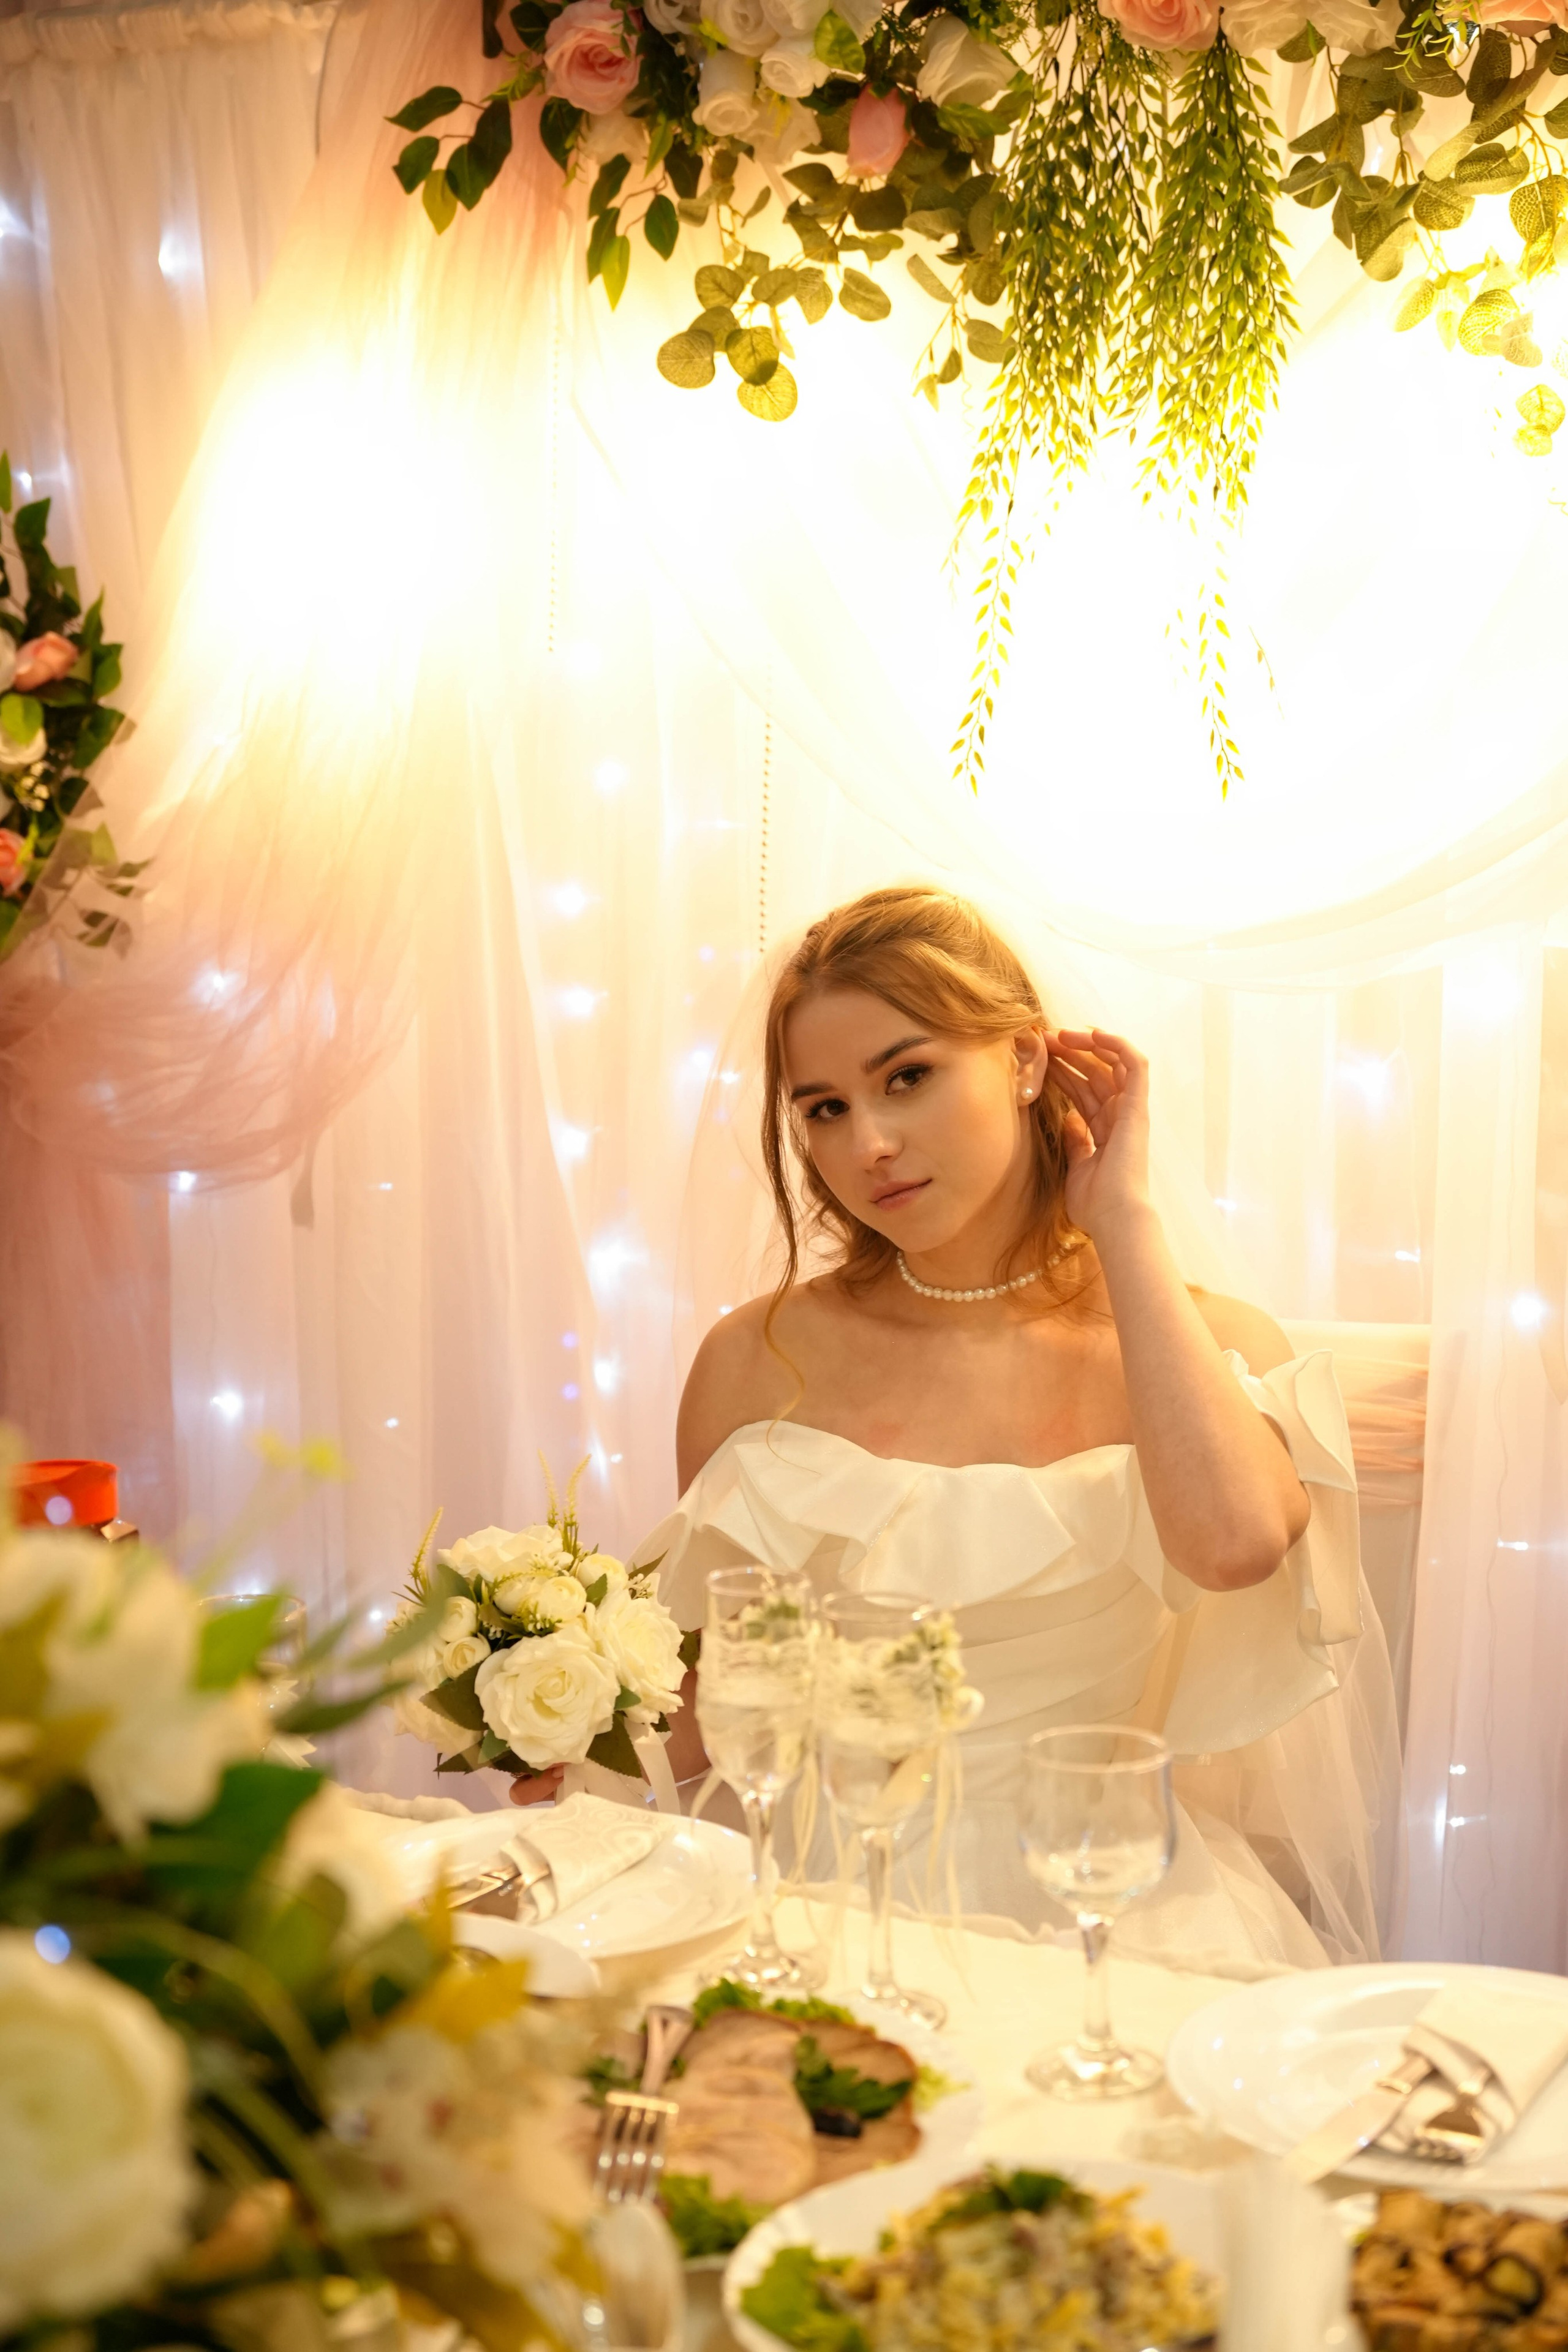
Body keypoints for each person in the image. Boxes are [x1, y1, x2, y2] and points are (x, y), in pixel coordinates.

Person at [519, 887, 1403, 1974]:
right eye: (825, 1108)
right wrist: (579, 1765)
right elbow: (710, 1704)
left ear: (1028, 1061)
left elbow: (1233, 1546)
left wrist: (1121, 1220)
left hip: (1101, 1908)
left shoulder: (1201, 1342)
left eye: (908, 1076)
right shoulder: (755, 1357)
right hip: (812, 1903)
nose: (870, 1144)